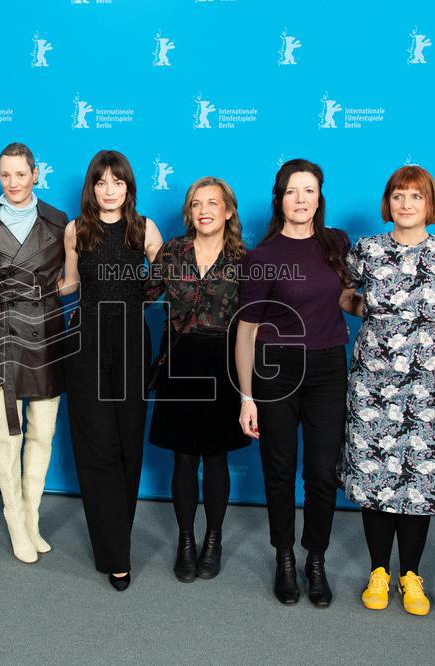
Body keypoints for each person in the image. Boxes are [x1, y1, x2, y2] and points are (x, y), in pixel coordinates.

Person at [340, 165, 435, 616]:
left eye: (415, 196)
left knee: (418, 481)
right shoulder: (367, 250)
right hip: (373, 382)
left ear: (429, 203)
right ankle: (379, 570)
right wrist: (369, 312)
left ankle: (411, 574)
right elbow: (343, 292)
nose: (406, 204)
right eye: (398, 195)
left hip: (429, 388)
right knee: (377, 477)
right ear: (388, 202)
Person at [235, 158, 359, 607]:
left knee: (323, 472)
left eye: (308, 190)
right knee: (280, 468)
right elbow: (246, 332)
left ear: (319, 197)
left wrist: (383, 311)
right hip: (275, 371)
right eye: (292, 191)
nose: (301, 199)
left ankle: (316, 558)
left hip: (328, 368)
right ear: (279, 199)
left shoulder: (336, 243)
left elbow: (343, 296)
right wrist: (246, 396)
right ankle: (284, 557)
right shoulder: (263, 257)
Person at [57, 150, 163, 591]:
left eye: (116, 182)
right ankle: (115, 553)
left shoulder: (145, 228)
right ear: (91, 187)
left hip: (132, 340)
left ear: (128, 187)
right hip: (85, 340)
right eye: (100, 182)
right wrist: (26, 286)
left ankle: (118, 537)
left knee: (127, 445)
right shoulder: (75, 230)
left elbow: (162, 284)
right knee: (94, 443)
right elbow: (70, 284)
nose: (108, 190)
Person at [145, 176, 250, 583]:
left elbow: (257, 320)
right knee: (183, 457)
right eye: (195, 203)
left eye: (212, 203)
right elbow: (144, 293)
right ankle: (186, 540)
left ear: (227, 211)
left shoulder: (245, 259)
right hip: (180, 359)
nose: (203, 210)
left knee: (217, 456)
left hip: (223, 362)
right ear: (189, 212)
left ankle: (214, 538)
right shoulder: (172, 251)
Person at [0, 142, 67, 564]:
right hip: (2, 338)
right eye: (5, 175)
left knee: (42, 434)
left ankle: (32, 517)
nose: (13, 183)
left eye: (21, 175)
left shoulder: (61, 223)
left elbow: (73, 278)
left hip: (47, 336)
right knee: (7, 436)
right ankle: (14, 519)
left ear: (35, 175)